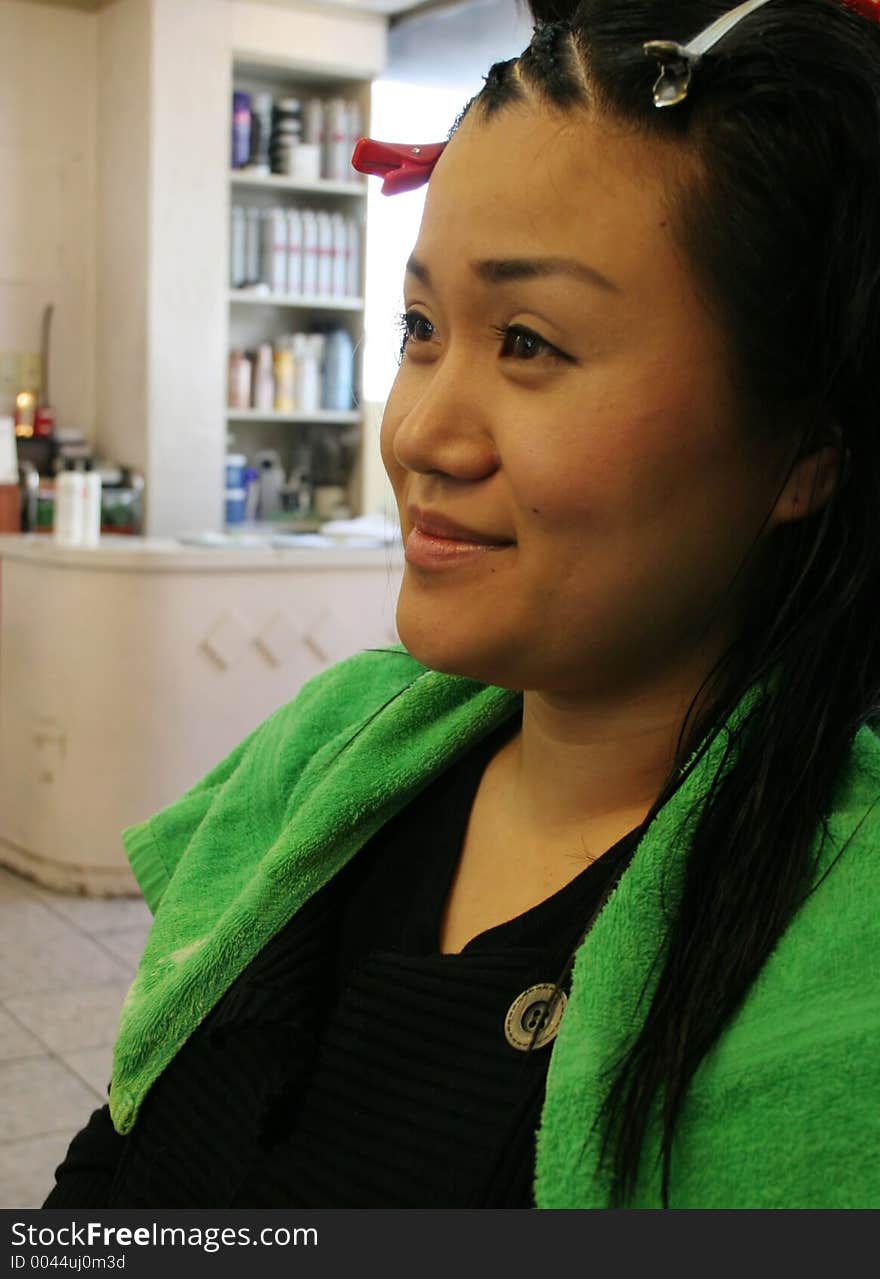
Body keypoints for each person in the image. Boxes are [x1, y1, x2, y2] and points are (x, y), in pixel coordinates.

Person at [45, 0, 880, 1210]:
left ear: (804, 450)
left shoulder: (835, 969)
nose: (418, 431)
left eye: (531, 342)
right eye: (420, 328)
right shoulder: (332, 759)